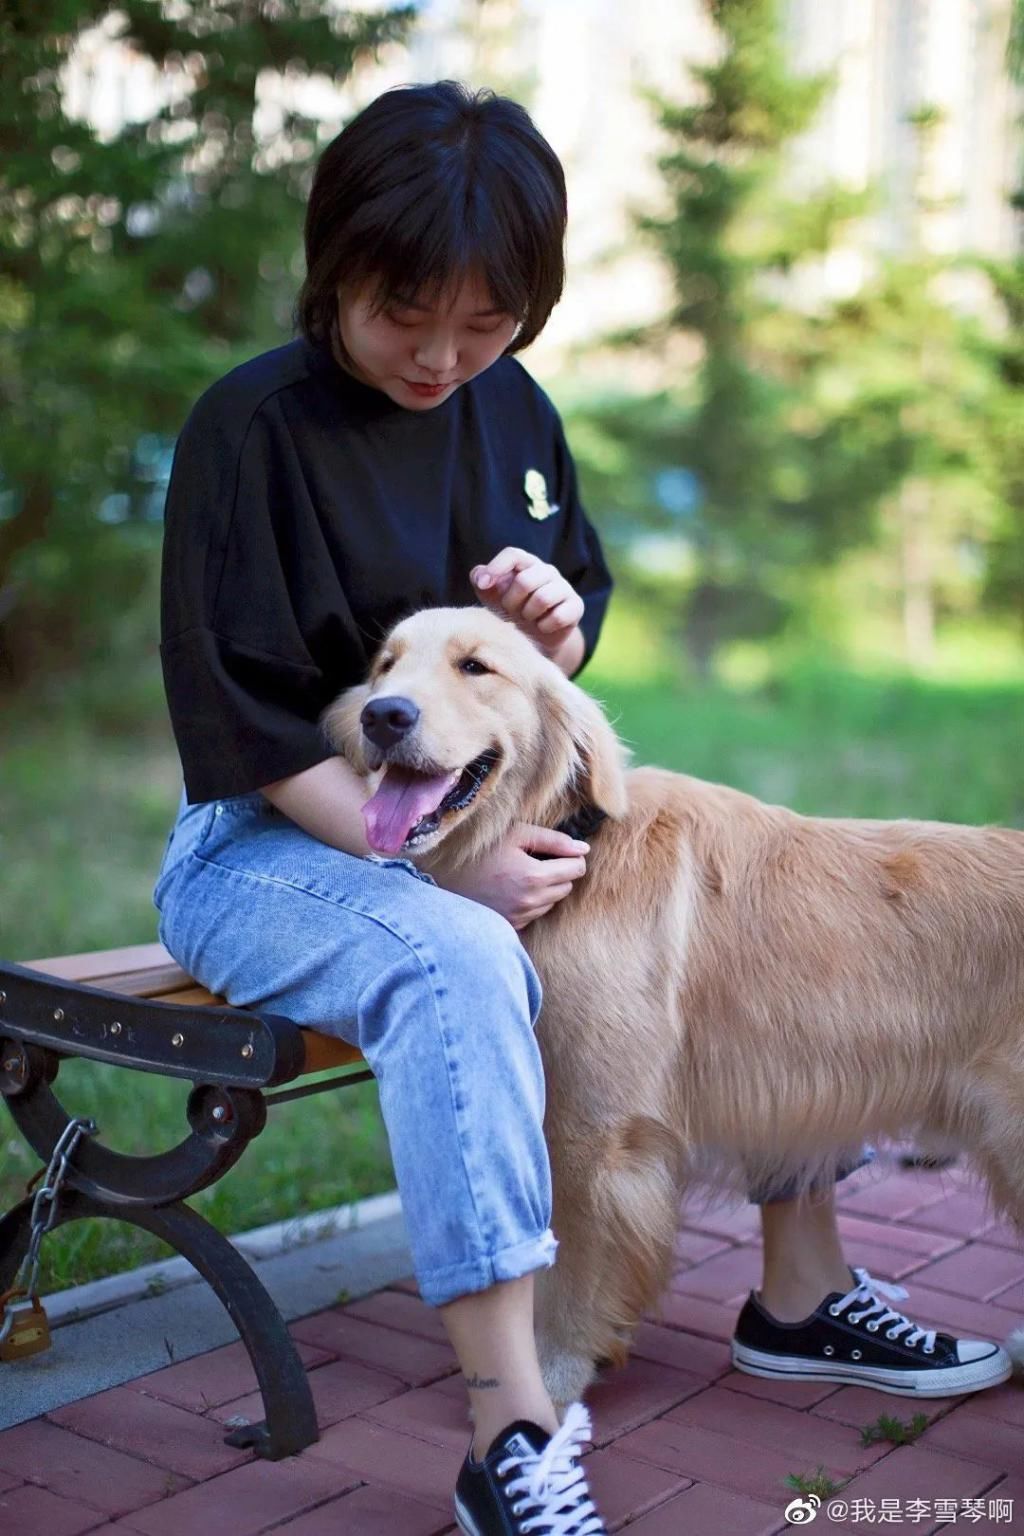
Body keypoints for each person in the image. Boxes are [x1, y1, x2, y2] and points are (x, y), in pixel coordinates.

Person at [152, 81, 1009, 1536]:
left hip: (475, 811)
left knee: (768, 887)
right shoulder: (251, 428)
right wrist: (429, 877)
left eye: (485, 323)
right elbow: (230, 721)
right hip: (275, 837)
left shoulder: (515, 408)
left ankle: (799, 1298)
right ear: (335, 270)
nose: (441, 357)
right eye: (402, 313)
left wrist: (555, 618)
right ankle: (520, 1427)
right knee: (460, 959)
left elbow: (555, 649)